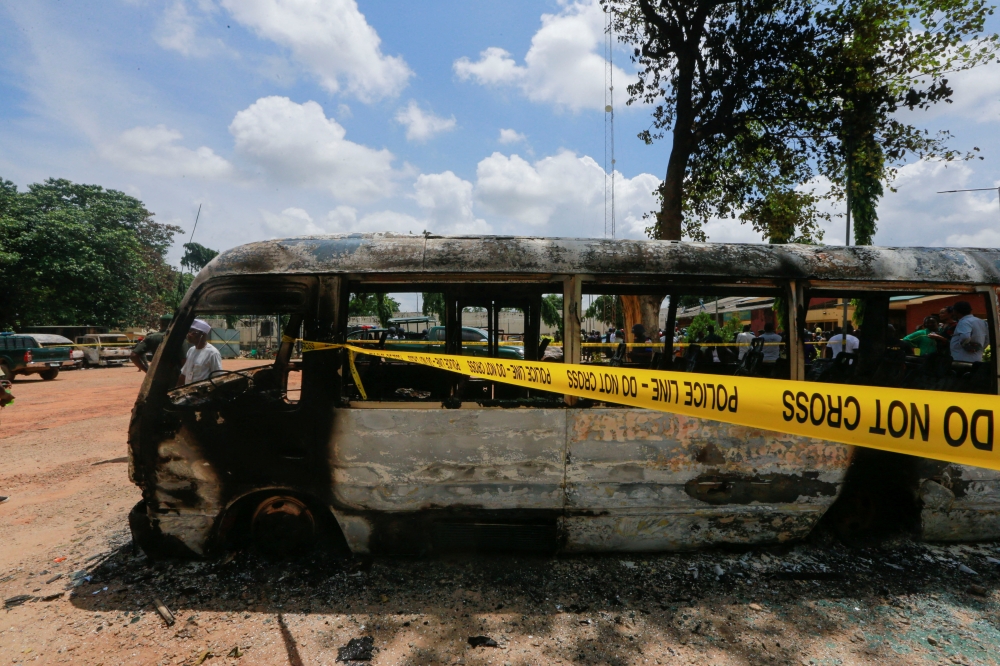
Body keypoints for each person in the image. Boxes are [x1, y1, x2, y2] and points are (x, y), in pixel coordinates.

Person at [178, 319, 223, 386]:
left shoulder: (212, 353)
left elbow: (218, 378)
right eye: (189, 331)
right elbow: (184, 374)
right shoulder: (191, 350)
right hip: (188, 392)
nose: (189, 335)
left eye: (193, 332)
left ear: (203, 335)